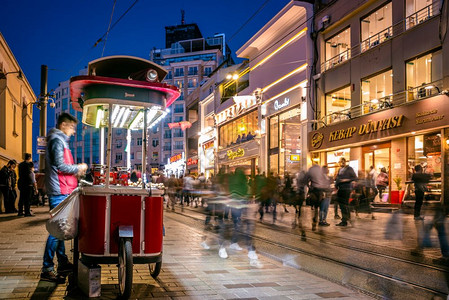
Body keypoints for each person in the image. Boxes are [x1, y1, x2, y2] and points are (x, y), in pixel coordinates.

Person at [41, 113, 87, 283]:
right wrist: (78, 168)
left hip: (62, 189)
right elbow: (60, 166)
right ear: (64, 125)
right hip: (58, 189)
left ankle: (62, 262)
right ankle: (47, 268)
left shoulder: (59, 141)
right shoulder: (56, 140)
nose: (74, 131)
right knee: (56, 230)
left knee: (61, 228)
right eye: (72, 127)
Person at [305, 163, 331, 231]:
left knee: (316, 208)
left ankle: (315, 221)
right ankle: (320, 220)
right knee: (321, 206)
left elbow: (306, 180)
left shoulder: (311, 169)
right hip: (320, 191)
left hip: (314, 191)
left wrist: (309, 186)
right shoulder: (320, 171)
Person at [335, 157, 357, 227]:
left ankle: (346, 219)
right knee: (341, 205)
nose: (341, 163)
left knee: (345, 204)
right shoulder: (339, 170)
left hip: (346, 189)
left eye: (343, 161)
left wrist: (346, 180)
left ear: (345, 162)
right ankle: (345, 219)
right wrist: (336, 185)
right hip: (340, 189)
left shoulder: (349, 169)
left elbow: (354, 178)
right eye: (340, 162)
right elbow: (338, 179)